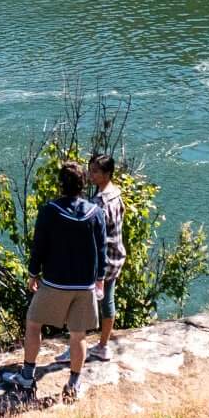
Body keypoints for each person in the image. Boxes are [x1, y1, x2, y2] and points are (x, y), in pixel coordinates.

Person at [21, 160, 107, 398]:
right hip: (85, 285)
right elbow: (102, 250)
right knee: (78, 335)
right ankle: (74, 383)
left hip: (55, 283)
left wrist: (32, 273)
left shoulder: (50, 211)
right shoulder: (95, 212)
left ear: (61, 184)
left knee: (34, 323)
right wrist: (100, 279)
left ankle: (27, 377)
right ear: (83, 184)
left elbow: (39, 246)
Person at [89, 153, 128, 363]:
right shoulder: (115, 194)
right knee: (107, 301)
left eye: (95, 171)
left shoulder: (101, 202)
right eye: (90, 169)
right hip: (116, 255)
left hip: (104, 261)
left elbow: (98, 237)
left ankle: (92, 346)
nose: (90, 174)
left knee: (91, 302)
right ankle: (102, 344)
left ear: (107, 173)